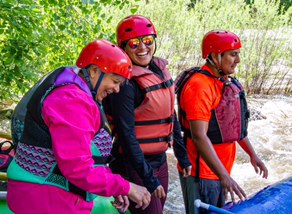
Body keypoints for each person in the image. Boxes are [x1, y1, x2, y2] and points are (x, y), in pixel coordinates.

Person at [7, 39, 151, 214]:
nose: (117, 90)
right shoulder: (71, 100)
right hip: (47, 200)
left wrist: (114, 187)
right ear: (94, 71)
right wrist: (127, 187)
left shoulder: (74, 87)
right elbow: (78, 169)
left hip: (50, 196)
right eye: (115, 81)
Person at [103, 15, 191, 214]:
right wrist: (148, 179)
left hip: (160, 161)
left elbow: (170, 115)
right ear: (123, 47)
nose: (142, 48)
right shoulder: (125, 84)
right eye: (134, 44)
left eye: (148, 41)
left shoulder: (159, 71)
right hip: (134, 165)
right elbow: (126, 136)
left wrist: (182, 155)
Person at [175, 30, 269, 214]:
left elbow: (232, 127)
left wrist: (252, 154)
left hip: (220, 171)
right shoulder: (200, 86)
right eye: (233, 54)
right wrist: (224, 176)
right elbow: (199, 136)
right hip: (202, 172)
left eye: (238, 54)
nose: (238, 60)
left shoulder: (223, 81)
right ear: (215, 56)